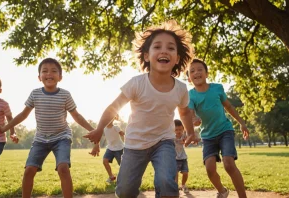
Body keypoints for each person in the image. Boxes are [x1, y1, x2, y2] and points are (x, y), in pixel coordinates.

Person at [84, 20, 199, 198]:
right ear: (146, 56)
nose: (164, 51)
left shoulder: (181, 89)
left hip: (164, 142)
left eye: (170, 48)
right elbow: (113, 108)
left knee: (167, 183)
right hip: (134, 144)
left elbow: (183, 112)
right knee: (125, 191)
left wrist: (190, 132)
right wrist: (99, 129)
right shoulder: (136, 84)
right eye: (157, 46)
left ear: (176, 58)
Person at [0, 58, 94, 198]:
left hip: (62, 137)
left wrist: (92, 130)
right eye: (45, 71)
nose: (49, 74)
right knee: (29, 169)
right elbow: (23, 115)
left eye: (54, 71)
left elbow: (76, 116)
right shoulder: (35, 94)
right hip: (41, 138)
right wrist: (5, 128)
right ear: (39, 77)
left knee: (63, 168)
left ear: (60, 77)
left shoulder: (65, 95)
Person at [187, 58, 250, 198]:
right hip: (207, 136)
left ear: (207, 73)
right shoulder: (190, 95)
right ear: (189, 78)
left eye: (199, 70)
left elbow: (228, 106)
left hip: (225, 130)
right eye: (192, 71)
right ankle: (222, 191)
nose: (196, 73)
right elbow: (190, 114)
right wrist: (194, 121)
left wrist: (241, 122)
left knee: (228, 163)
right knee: (210, 169)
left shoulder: (217, 88)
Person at [89, 114, 125, 183]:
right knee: (105, 161)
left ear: (113, 120)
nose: (108, 121)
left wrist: (125, 144)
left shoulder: (116, 127)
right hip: (110, 148)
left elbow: (122, 134)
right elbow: (98, 137)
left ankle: (125, 178)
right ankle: (111, 177)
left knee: (122, 165)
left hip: (119, 148)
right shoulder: (104, 129)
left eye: (110, 119)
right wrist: (96, 145)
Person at [173, 119, 189, 193]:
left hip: (183, 158)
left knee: (185, 173)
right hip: (174, 158)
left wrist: (187, 140)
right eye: (176, 130)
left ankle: (183, 185)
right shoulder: (172, 137)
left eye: (180, 129)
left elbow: (189, 137)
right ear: (173, 130)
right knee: (175, 174)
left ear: (183, 129)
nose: (178, 131)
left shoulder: (184, 135)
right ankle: (175, 187)